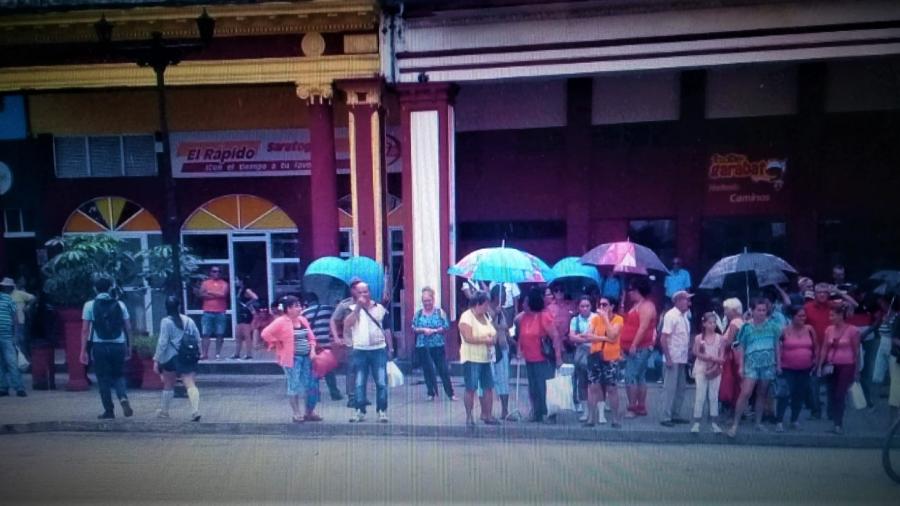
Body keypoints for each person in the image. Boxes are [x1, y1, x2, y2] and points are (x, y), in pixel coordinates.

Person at [727, 299, 782, 438]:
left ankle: (758, 423)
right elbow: (742, 347)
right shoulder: (746, 327)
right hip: (751, 364)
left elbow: (777, 345)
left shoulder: (773, 326)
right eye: (759, 310)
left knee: (762, 394)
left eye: (764, 310)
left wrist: (778, 364)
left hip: (768, 364)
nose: (762, 313)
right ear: (752, 310)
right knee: (745, 393)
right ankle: (735, 424)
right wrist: (741, 366)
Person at [262, 295, 322, 423]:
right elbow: (265, 333)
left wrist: (312, 351)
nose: (299, 308)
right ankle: (296, 413)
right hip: (292, 358)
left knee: (309, 384)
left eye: (299, 305)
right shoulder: (281, 321)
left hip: (306, 357)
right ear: (288, 309)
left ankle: (309, 412)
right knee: (293, 384)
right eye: (296, 306)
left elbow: (311, 337)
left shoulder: (302, 320)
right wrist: (278, 342)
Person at [79, 277, 131, 418]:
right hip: (118, 344)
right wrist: (129, 346)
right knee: (118, 374)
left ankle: (109, 410)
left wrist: (83, 350)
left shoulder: (89, 305)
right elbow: (128, 327)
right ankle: (122, 397)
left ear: (95, 289)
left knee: (103, 378)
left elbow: (85, 330)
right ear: (110, 288)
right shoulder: (120, 304)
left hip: (100, 345)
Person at [343, 282, 393, 423]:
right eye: (360, 292)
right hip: (360, 350)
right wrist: (358, 307)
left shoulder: (380, 308)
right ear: (355, 294)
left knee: (381, 381)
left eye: (366, 291)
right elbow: (347, 324)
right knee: (359, 382)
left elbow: (387, 329)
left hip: (378, 349)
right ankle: (359, 410)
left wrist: (391, 348)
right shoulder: (351, 308)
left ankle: (382, 410)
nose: (364, 295)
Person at [516, 287, 562, 423]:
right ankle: (537, 412)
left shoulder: (544, 316)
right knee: (534, 387)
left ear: (532, 303)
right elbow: (521, 336)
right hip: (529, 358)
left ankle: (551, 414)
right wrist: (519, 350)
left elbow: (555, 336)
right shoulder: (524, 317)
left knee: (546, 387)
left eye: (525, 302)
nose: (523, 304)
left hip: (543, 358)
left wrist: (558, 357)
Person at [152, 296, 202, 421]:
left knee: (168, 384)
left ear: (166, 307)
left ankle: (164, 412)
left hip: (171, 357)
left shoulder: (166, 321)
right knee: (190, 383)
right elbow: (197, 337)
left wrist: (156, 359)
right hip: (188, 356)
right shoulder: (189, 320)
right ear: (179, 306)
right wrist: (199, 352)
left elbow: (163, 342)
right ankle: (195, 410)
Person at [580, 296, 623, 427]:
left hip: (611, 358)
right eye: (600, 305)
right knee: (593, 387)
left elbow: (613, 335)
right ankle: (591, 419)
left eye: (605, 305)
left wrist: (605, 319)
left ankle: (615, 419)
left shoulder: (618, 319)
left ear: (612, 306)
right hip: (595, 355)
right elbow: (587, 335)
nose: (602, 307)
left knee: (611, 388)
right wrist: (604, 338)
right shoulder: (595, 319)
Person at [818, 304, 861, 435]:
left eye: (833, 315)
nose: (830, 318)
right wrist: (820, 365)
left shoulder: (853, 330)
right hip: (832, 364)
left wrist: (857, 370)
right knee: (831, 393)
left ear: (840, 316)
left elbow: (856, 351)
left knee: (840, 394)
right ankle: (833, 419)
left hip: (847, 364)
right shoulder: (829, 329)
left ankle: (838, 424)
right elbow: (825, 348)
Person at [459, 291, 500, 426]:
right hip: (471, 358)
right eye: (485, 304)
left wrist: (493, 339)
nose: (487, 307)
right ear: (477, 304)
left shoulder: (486, 316)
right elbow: (468, 337)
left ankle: (487, 414)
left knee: (488, 386)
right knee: (471, 387)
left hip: (486, 357)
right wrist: (484, 340)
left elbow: (493, 332)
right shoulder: (466, 317)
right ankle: (469, 416)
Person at [620, 277, 658, 418]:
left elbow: (643, 328)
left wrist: (634, 345)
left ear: (637, 290)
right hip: (634, 346)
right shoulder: (636, 305)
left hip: (640, 347)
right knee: (640, 377)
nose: (630, 292)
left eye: (631, 290)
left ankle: (632, 407)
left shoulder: (647, 306)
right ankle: (640, 406)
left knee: (630, 376)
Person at [776, 305, 817, 432]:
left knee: (799, 394)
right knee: (784, 394)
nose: (802, 318)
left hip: (805, 368)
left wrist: (816, 360)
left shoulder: (810, 329)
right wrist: (778, 365)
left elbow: (816, 346)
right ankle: (779, 421)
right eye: (799, 316)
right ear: (792, 317)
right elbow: (778, 348)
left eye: (804, 316)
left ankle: (794, 420)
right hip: (787, 368)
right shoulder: (784, 330)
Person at [411, 287, 455, 401]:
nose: (427, 303)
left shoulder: (440, 312)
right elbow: (413, 327)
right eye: (425, 301)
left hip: (437, 345)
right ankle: (431, 393)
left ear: (433, 299)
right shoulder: (418, 314)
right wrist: (422, 330)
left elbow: (446, 326)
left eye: (429, 300)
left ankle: (450, 393)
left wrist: (434, 331)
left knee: (443, 369)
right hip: (423, 345)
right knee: (427, 370)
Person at [660, 290, 693, 427]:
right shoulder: (671, 315)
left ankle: (675, 413)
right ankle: (665, 416)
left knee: (681, 388)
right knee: (670, 388)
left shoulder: (685, 316)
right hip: (673, 357)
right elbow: (663, 338)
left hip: (682, 358)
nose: (689, 302)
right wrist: (668, 358)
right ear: (679, 301)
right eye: (686, 299)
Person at [301, 292, 342, 401]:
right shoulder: (328, 309)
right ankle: (335, 393)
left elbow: (304, 331)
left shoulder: (304, 313)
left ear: (307, 302)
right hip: (327, 345)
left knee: (314, 371)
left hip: (314, 346)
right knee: (329, 370)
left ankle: (316, 395)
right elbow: (337, 318)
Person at [691, 312, 725, 433]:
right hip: (701, 368)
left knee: (713, 395)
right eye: (710, 322)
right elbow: (695, 352)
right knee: (700, 395)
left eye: (714, 322)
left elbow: (722, 356)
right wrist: (706, 357)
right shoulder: (699, 338)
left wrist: (714, 360)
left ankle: (714, 422)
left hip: (715, 369)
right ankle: (696, 422)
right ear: (704, 323)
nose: (712, 325)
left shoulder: (720, 338)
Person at [804, 283, 834, 420]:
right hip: (813, 350)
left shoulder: (835, 306)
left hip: (833, 350)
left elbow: (854, 305)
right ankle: (816, 411)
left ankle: (832, 411)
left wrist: (838, 291)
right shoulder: (807, 308)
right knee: (813, 382)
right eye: (819, 292)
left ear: (828, 294)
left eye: (825, 292)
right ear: (814, 294)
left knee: (832, 382)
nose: (822, 295)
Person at [331, 278, 363, 407]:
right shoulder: (345, 305)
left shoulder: (368, 303)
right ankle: (352, 396)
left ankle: (361, 395)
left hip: (366, 341)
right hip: (351, 342)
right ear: (352, 290)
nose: (359, 291)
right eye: (356, 288)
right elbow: (333, 320)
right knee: (351, 369)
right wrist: (336, 337)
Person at [488, 285, 515, 420]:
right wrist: (494, 314)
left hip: (503, 347)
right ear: (496, 296)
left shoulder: (503, 311)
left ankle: (505, 410)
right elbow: (485, 325)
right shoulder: (486, 309)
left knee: (504, 379)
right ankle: (487, 410)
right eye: (503, 294)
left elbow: (505, 330)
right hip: (491, 349)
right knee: (490, 380)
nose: (505, 297)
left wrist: (514, 343)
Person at [569, 296, 596, 422]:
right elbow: (572, 337)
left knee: (595, 384)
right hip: (581, 355)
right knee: (582, 383)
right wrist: (587, 338)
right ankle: (585, 410)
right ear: (578, 307)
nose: (585, 308)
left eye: (587, 306)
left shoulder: (596, 318)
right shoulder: (575, 320)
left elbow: (598, 336)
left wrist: (581, 337)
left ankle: (596, 410)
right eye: (582, 306)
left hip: (595, 353)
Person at [719, 298, 745, 416]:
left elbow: (729, 342)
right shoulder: (742, 321)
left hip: (732, 357)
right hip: (740, 356)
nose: (725, 312)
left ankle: (732, 408)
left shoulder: (734, 323)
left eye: (726, 310)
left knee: (731, 383)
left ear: (733, 310)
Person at [197, 266, 229, 361]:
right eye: (214, 271)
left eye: (218, 272)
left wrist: (210, 292)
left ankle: (217, 354)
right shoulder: (205, 283)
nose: (216, 273)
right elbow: (201, 294)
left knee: (220, 334)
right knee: (205, 334)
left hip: (220, 312)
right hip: (207, 312)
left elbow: (223, 294)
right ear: (210, 272)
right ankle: (204, 354)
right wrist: (217, 294)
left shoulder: (224, 283)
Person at [870, 296, 897, 408]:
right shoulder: (884, 314)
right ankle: (875, 399)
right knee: (878, 372)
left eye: (882, 303)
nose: (881, 305)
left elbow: (895, 332)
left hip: (892, 343)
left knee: (893, 371)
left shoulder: (896, 315)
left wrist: (888, 322)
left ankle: (894, 399)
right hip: (882, 342)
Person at [0, 278, 24, 397]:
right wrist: (16, 334)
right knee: (8, 362)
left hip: (6, 335)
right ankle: (10, 387)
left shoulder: (9, 299)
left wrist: (15, 334)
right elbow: (15, 319)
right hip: (7, 335)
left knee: (8, 362)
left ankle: (12, 387)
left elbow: (15, 318)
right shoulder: (9, 299)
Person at [232, 280, 259, 360]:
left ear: (241, 281)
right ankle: (237, 353)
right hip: (240, 313)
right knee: (238, 334)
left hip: (246, 313)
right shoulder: (239, 290)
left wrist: (247, 304)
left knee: (246, 335)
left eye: (237, 280)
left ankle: (249, 354)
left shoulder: (247, 290)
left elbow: (255, 297)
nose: (236, 282)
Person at [10, 277, 35, 357]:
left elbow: (33, 298)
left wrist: (27, 306)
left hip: (20, 322)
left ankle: (24, 360)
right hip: (8, 323)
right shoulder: (4, 296)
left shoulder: (19, 293)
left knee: (21, 341)